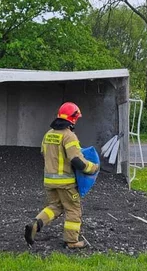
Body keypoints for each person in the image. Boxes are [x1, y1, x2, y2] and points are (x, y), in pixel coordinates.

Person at [25, 102, 99, 249]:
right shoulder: (69, 136)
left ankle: (36, 223)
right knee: (73, 210)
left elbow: (43, 154)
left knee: (55, 207)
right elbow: (77, 160)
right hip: (66, 183)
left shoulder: (48, 134)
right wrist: (93, 168)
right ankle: (72, 241)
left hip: (49, 181)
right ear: (73, 118)